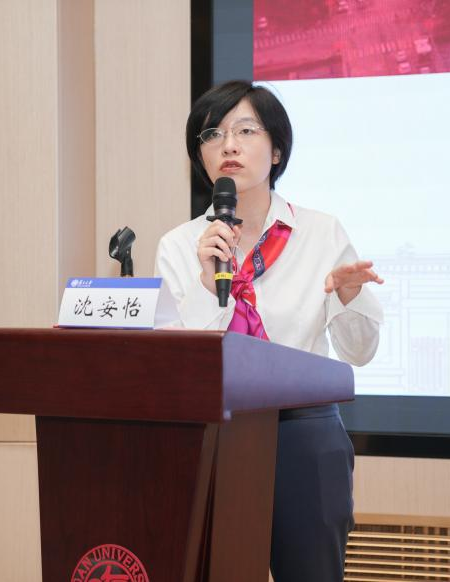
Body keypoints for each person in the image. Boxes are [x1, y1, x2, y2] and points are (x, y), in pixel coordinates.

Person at [155, 80, 383, 582]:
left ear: (276, 149)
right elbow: (179, 365)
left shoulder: (321, 232)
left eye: (245, 131)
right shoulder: (179, 245)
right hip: (212, 434)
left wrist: (350, 296)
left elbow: (360, 352)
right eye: (212, 134)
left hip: (304, 433)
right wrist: (208, 284)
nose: (228, 145)